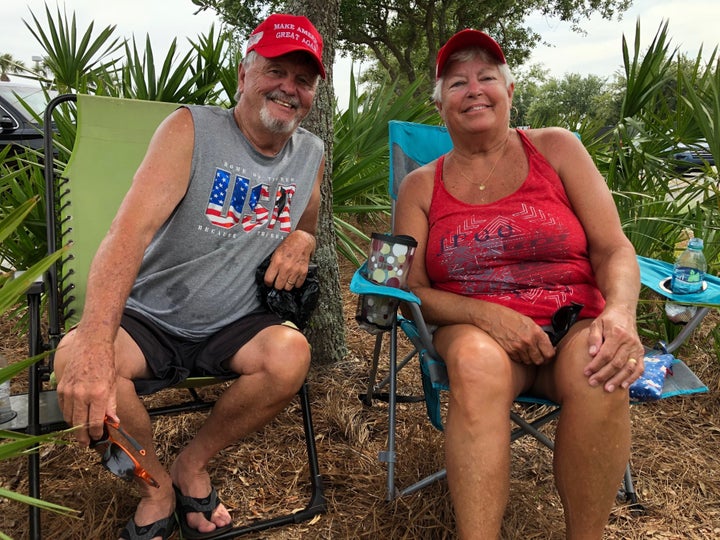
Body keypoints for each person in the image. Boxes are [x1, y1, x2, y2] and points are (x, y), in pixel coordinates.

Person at [53, 13, 326, 540]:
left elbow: (309, 216)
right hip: (152, 316)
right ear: (244, 74)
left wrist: (303, 237)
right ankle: (155, 485)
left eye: (303, 80)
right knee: (76, 360)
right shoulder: (191, 129)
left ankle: (192, 464)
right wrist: (91, 342)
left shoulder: (310, 153)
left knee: (292, 356)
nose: (289, 89)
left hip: (236, 321)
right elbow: (126, 233)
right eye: (276, 70)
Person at [394, 29, 646, 539]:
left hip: (572, 322)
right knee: (476, 364)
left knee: (601, 369)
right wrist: (487, 315)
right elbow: (407, 289)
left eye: (487, 77)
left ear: (510, 91)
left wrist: (620, 311)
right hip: (476, 330)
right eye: (457, 82)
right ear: (440, 103)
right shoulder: (419, 186)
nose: (474, 89)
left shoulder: (557, 149)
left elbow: (614, 248)